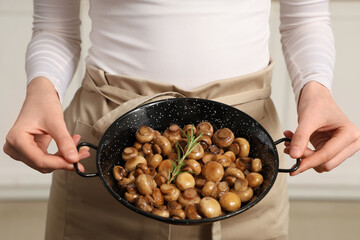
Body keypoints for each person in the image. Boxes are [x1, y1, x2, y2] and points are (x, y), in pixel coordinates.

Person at [3, 0, 360, 239]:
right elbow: (54, 27)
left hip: (248, 140)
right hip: (106, 138)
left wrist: (316, 90)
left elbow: (306, 20)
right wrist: (41, 90)